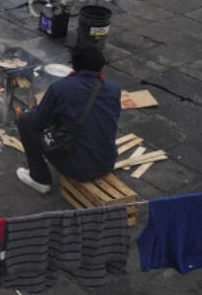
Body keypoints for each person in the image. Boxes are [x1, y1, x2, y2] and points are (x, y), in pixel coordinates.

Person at [15, 45, 122, 194]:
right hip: (107, 162)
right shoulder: (114, 89)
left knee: (25, 121)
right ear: (101, 68)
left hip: (76, 168)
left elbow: (37, 122)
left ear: (74, 67)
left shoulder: (60, 88)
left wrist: (37, 111)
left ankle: (40, 179)